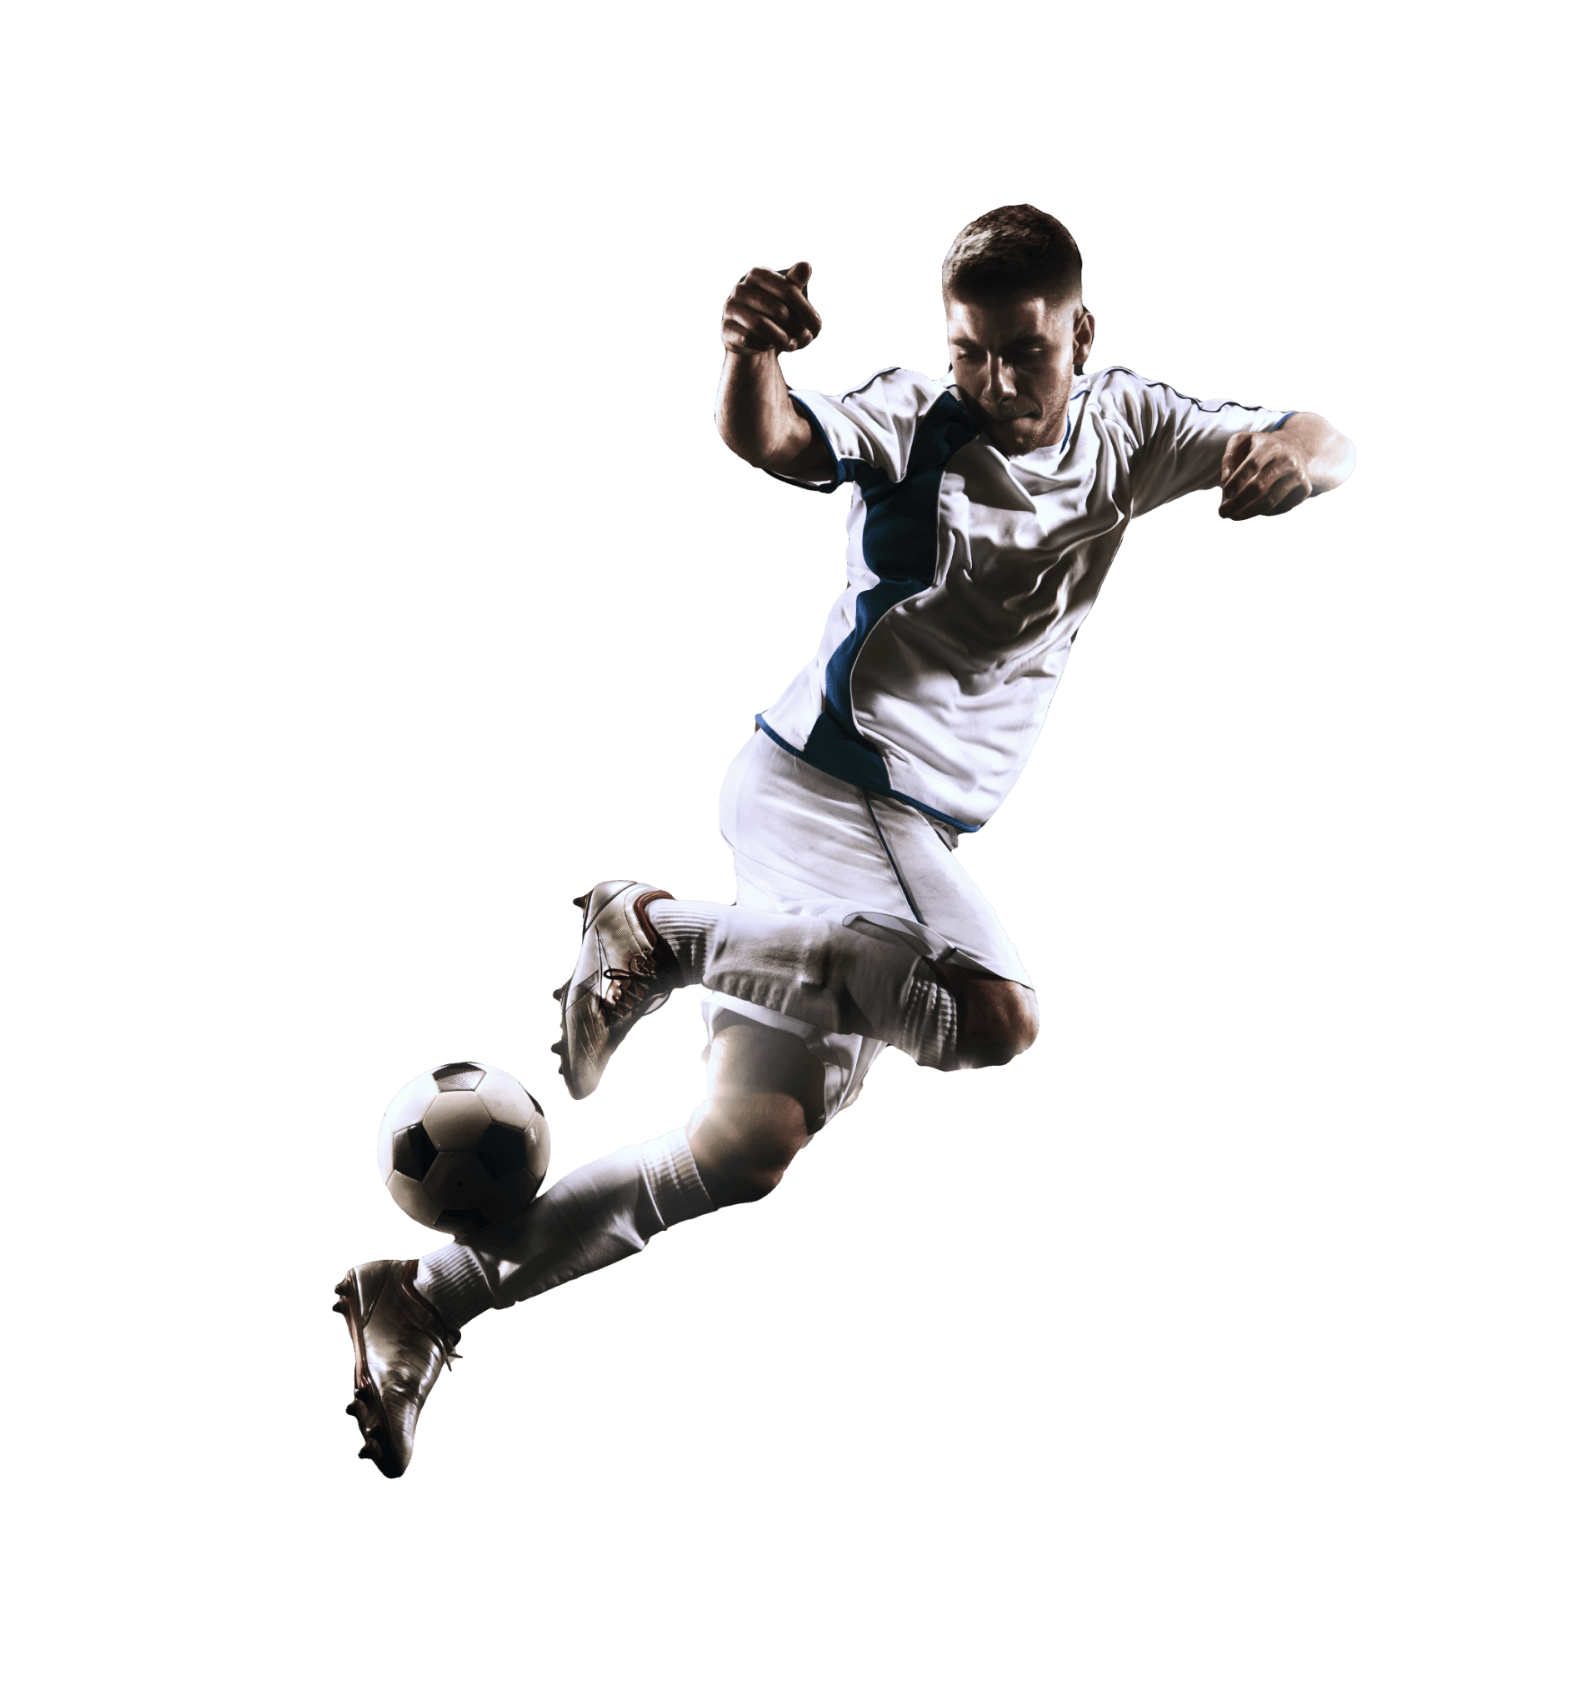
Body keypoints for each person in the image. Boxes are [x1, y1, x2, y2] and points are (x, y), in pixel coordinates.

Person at [333, 203, 1359, 1480]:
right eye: (970, 349)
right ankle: (657, 934)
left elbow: (1313, 433)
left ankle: (425, 1296)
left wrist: (1301, 460)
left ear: (1081, 335)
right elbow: (769, 436)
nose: (995, 381)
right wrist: (746, 354)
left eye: (1025, 353)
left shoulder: (1129, 426)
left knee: (741, 1151)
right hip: (837, 785)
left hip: (882, 822)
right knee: (991, 1017)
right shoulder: (913, 419)